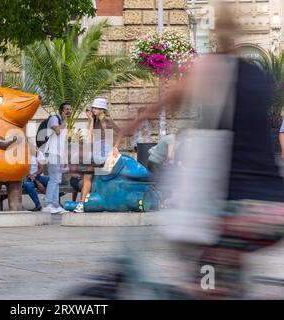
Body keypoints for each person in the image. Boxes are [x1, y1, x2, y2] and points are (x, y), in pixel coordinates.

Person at [112, 4, 284, 299]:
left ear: (215, 37)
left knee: (202, 278)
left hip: (234, 211)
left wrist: (124, 130)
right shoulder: (258, 75)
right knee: (224, 276)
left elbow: (164, 102)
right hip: (273, 210)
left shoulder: (211, 69)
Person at [73, 98, 120, 213]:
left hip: (105, 150)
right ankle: (82, 204)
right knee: (87, 177)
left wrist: (115, 147)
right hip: (96, 150)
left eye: (95, 108)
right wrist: (91, 121)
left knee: (99, 175)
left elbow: (120, 132)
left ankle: (87, 203)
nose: (93, 109)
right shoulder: (95, 121)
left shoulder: (107, 120)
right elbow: (91, 137)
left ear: (101, 109)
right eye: (93, 107)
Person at [42, 102, 72, 214]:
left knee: (57, 180)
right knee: (54, 179)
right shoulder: (54, 119)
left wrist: (64, 159)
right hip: (52, 152)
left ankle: (55, 205)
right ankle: (48, 204)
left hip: (58, 154)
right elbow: (57, 131)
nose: (68, 111)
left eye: (70, 109)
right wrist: (64, 120)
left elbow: (62, 142)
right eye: (66, 109)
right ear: (61, 110)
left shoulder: (65, 122)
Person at [22, 146, 49, 212]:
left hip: (37, 176)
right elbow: (23, 170)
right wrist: (31, 177)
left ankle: (54, 202)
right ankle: (38, 205)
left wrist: (35, 176)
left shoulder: (36, 155)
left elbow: (41, 168)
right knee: (27, 185)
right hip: (26, 179)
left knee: (51, 179)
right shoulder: (21, 156)